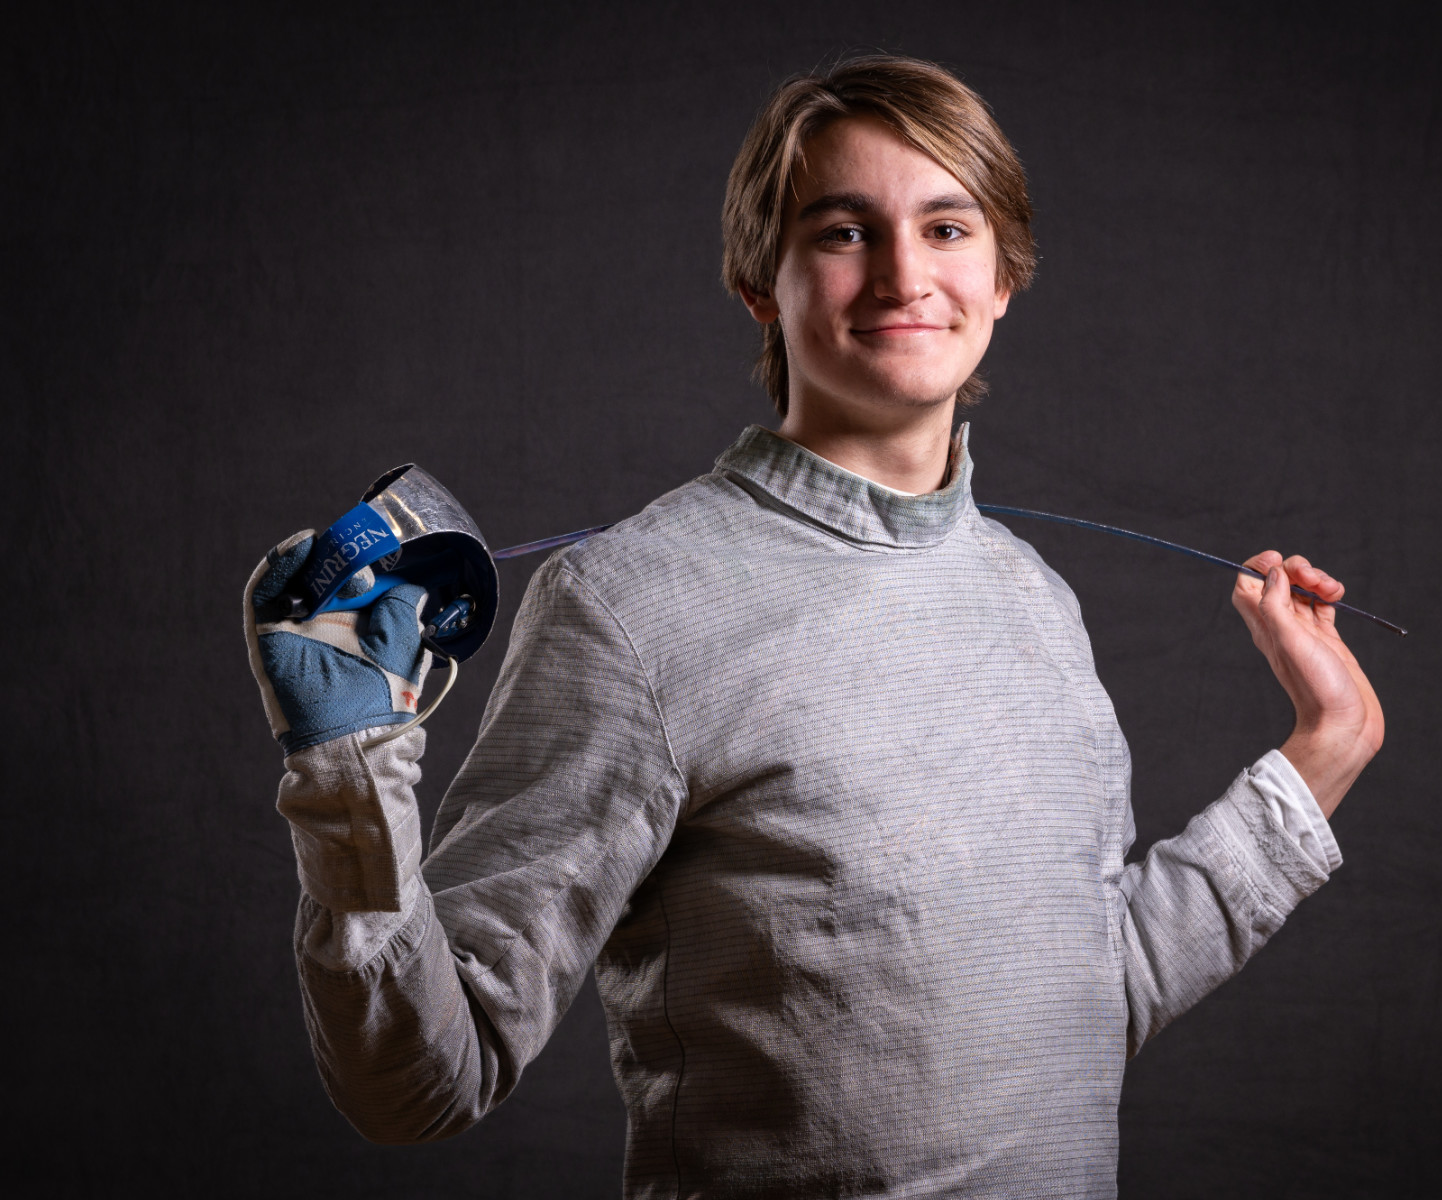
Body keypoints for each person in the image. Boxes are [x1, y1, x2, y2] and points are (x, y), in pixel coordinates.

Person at [243, 54, 1383, 1197]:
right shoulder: (628, 605)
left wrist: (1319, 758)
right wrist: (349, 780)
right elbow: (422, 1081)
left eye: (947, 229)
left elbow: (1087, 1007)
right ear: (759, 282)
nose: (902, 276)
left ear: (1004, 277)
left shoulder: (1036, 603)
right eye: (844, 232)